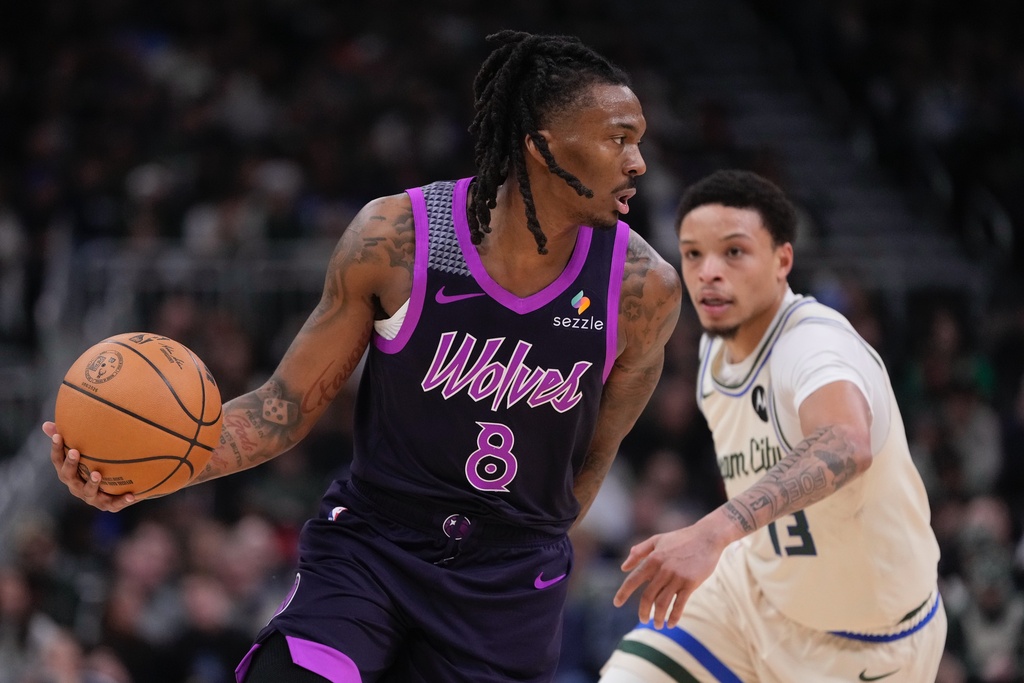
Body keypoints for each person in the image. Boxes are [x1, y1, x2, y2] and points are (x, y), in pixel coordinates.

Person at [43, 30, 682, 683]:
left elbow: (593, 459)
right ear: (540, 145)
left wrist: (524, 541)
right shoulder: (399, 240)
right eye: (618, 138)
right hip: (374, 543)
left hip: (507, 581)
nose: (637, 162)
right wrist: (146, 473)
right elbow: (281, 409)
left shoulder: (642, 290)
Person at [599, 169, 946, 682]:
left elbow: (847, 443)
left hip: (866, 643)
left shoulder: (813, 344)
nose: (708, 272)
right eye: (694, 254)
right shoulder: (715, 350)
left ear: (783, 260)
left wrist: (712, 532)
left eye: (733, 252)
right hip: (752, 596)